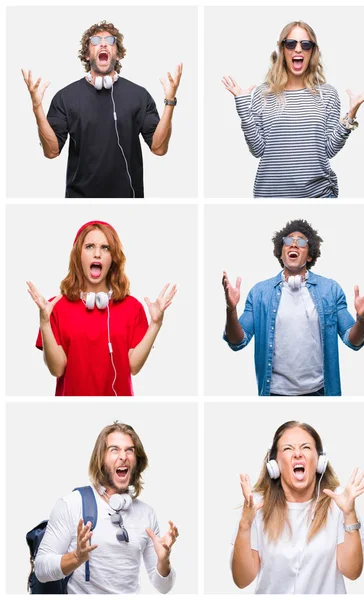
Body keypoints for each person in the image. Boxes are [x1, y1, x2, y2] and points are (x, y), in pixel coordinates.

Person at [21, 20, 183, 198]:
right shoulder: (65, 97)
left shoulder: (139, 95)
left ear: (118, 54)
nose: (103, 43)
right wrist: (37, 108)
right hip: (80, 200)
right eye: (96, 41)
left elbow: (159, 148)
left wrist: (170, 102)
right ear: (87, 55)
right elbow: (51, 151)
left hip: (128, 200)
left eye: (110, 40)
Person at [222, 218, 364, 396]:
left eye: (301, 242)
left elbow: (353, 341)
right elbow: (237, 341)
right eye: (288, 241)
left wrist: (361, 318)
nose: (294, 245)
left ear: (309, 255)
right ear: (281, 253)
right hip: (273, 393)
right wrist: (230, 309)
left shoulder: (330, 290)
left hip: (320, 391)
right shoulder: (259, 293)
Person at [222, 20, 364, 198]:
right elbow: (257, 150)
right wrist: (242, 104)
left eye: (305, 44)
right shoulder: (263, 94)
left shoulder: (327, 95)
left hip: (318, 196)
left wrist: (351, 115)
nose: (298, 49)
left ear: (312, 51)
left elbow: (328, 150)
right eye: (290, 44)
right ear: (282, 50)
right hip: (271, 196)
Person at [28, 220, 177, 396]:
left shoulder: (132, 307)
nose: (97, 254)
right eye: (90, 246)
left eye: (105, 248)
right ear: (78, 255)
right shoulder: (55, 307)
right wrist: (44, 322)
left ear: (113, 258)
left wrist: (156, 324)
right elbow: (57, 370)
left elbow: (134, 367)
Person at [34, 422, 178, 594]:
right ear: (100, 459)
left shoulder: (146, 514)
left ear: (136, 461)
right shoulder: (72, 503)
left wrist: (164, 561)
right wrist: (76, 557)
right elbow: (41, 569)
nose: (123, 456)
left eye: (129, 450)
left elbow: (163, 587)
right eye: (114, 449)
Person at [232, 421, 364, 593]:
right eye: (288, 448)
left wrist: (349, 514)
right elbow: (242, 580)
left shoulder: (339, 502)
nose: (297, 454)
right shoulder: (256, 505)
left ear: (320, 461)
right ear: (274, 464)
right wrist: (244, 525)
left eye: (305, 447)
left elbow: (352, 572)